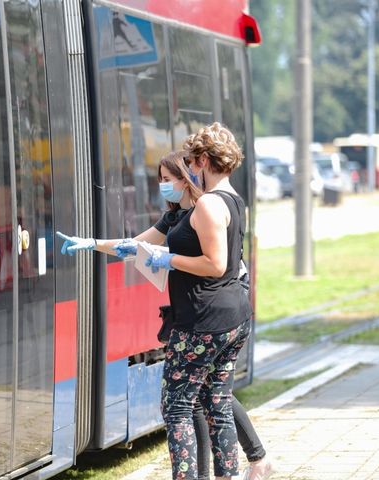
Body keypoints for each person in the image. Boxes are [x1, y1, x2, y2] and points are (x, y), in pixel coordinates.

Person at [57, 124, 270, 479]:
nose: (189, 167)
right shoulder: (233, 200)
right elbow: (137, 245)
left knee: (177, 407)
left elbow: (215, 265)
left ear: (203, 160)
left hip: (202, 319)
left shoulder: (208, 206)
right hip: (232, 316)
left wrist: (169, 259)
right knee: (216, 401)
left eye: (191, 161)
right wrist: (93, 243)